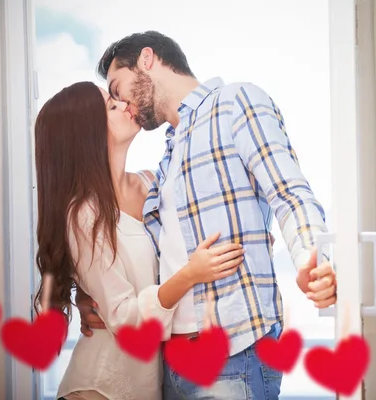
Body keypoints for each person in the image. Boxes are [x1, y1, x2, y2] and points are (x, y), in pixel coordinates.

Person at [77, 30, 338, 399]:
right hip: (169, 366)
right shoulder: (165, 161)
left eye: (119, 88)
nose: (124, 105)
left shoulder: (234, 102)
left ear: (147, 60)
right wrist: (91, 298)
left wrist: (313, 258)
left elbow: (290, 193)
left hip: (232, 357)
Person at [33, 81, 246, 400]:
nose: (123, 104)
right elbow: (127, 320)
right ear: (84, 133)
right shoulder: (83, 214)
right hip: (101, 388)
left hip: (155, 381)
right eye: (110, 106)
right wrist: (190, 274)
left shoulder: (153, 183)